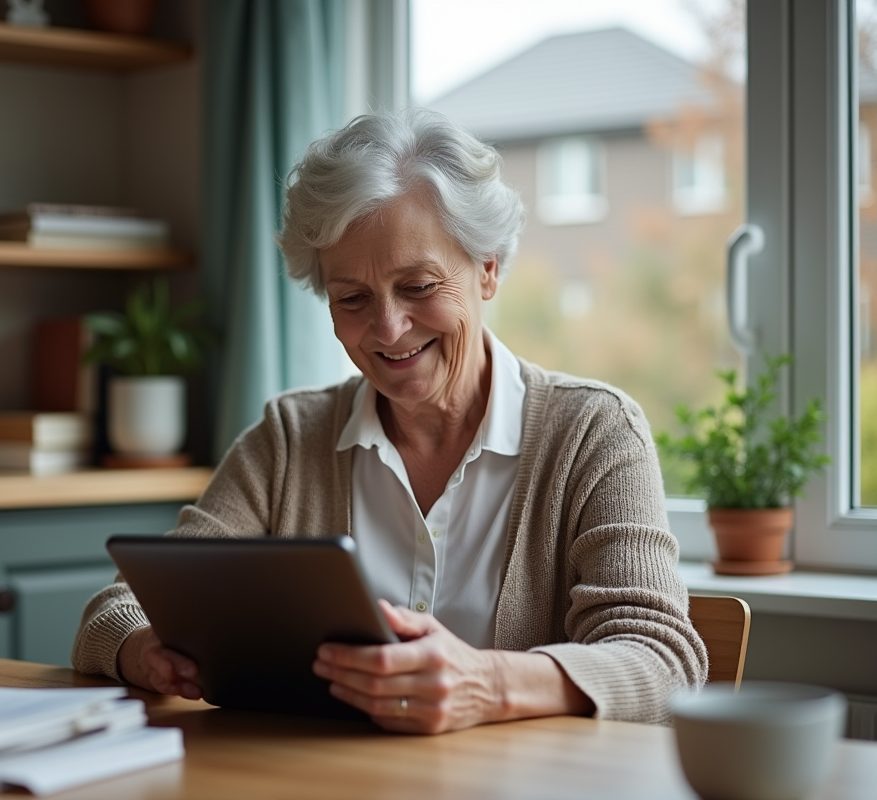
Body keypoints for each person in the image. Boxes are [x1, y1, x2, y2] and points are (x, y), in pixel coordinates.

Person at [73, 108, 707, 734]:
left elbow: (664, 660)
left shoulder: (595, 433)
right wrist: (145, 651)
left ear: (486, 269)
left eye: (419, 285)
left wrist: (488, 684)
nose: (388, 328)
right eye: (352, 298)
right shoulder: (289, 440)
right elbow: (118, 609)